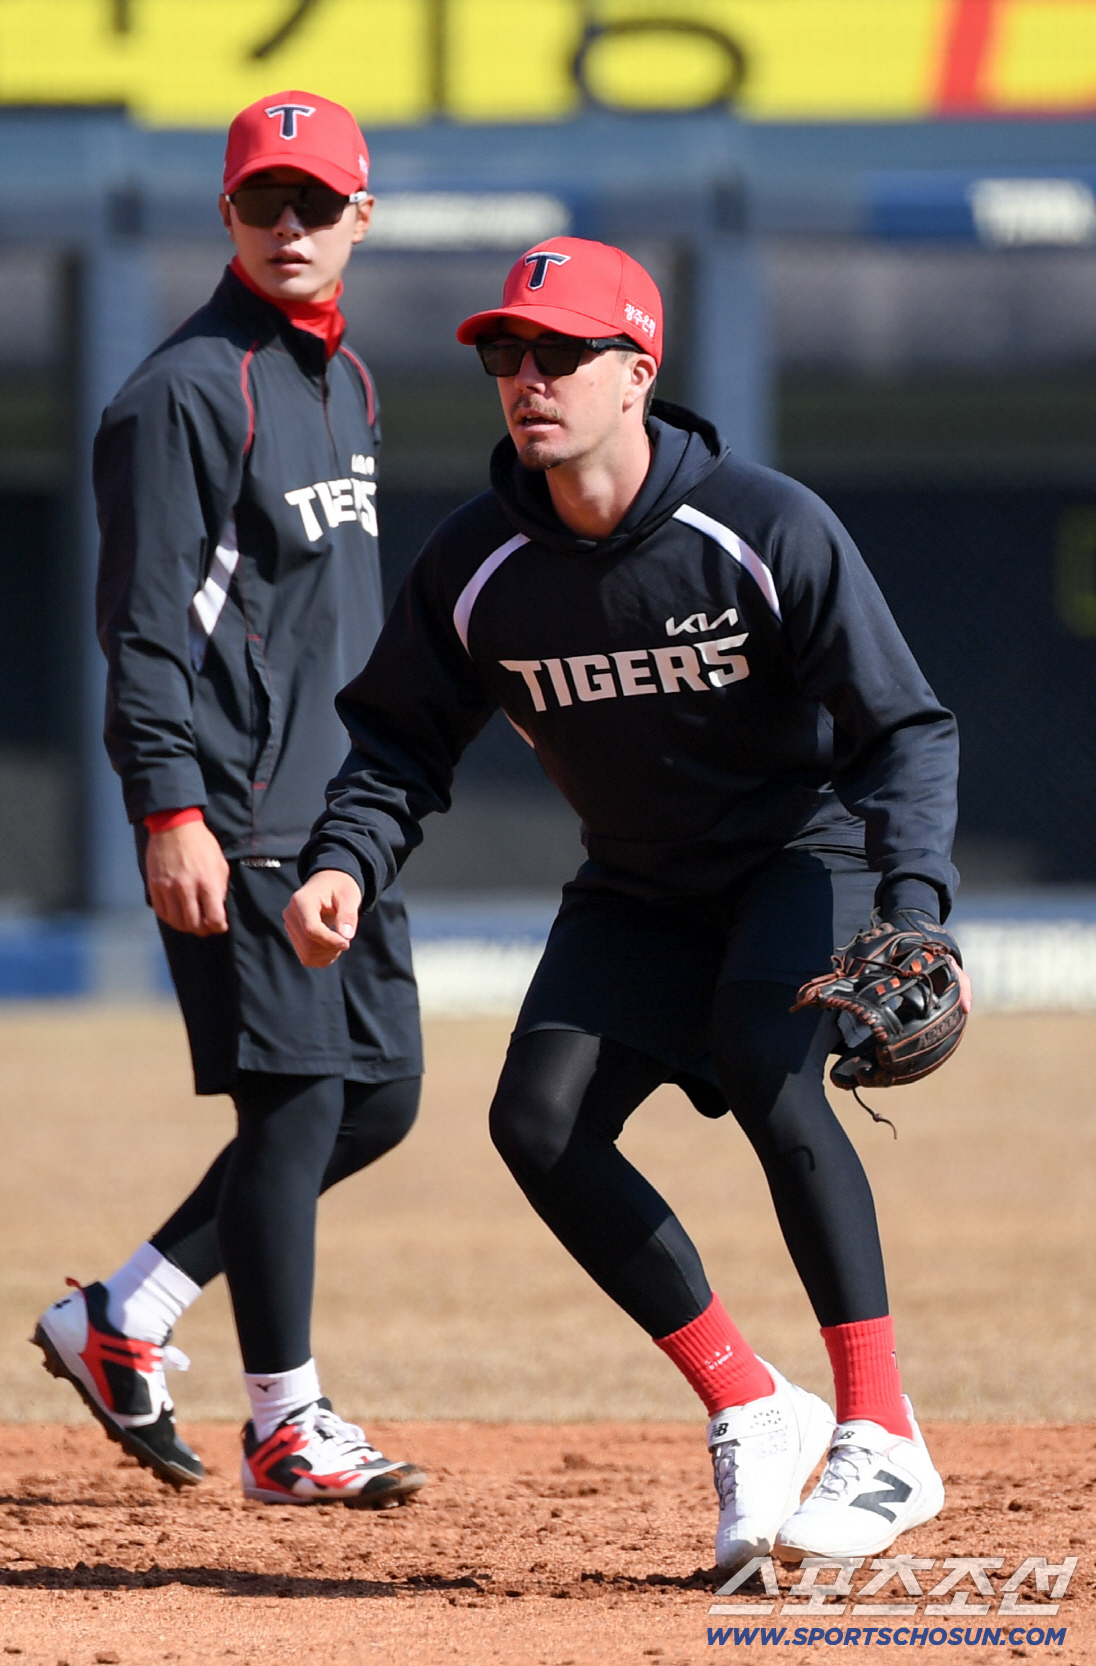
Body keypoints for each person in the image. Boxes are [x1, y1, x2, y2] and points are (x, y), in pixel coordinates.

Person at [284, 237, 968, 1566]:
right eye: (504, 353)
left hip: (796, 855)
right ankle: (754, 1404)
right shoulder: (480, 565)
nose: (525, 375)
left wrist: (916, 903)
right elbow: (397, 740)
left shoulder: (763, 528)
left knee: (774, 1074)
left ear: (638, 370)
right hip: (640, 884)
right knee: (536, 1121)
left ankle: (882, 1436)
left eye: (559, 351)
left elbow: (905, 724)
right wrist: (342, 859)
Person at [32, 91, 425, 1509]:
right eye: (267, 200)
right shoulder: (183, 393)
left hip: (341, 819)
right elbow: (143, 629)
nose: (292, 224)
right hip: (244, 807)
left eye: (318, 202)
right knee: (301, 1094)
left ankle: (124, 1310)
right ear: (228, 215)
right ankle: (287, 1421)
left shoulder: (349, 385)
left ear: (362, 217)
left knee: (377, 1097)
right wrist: (168, 806)